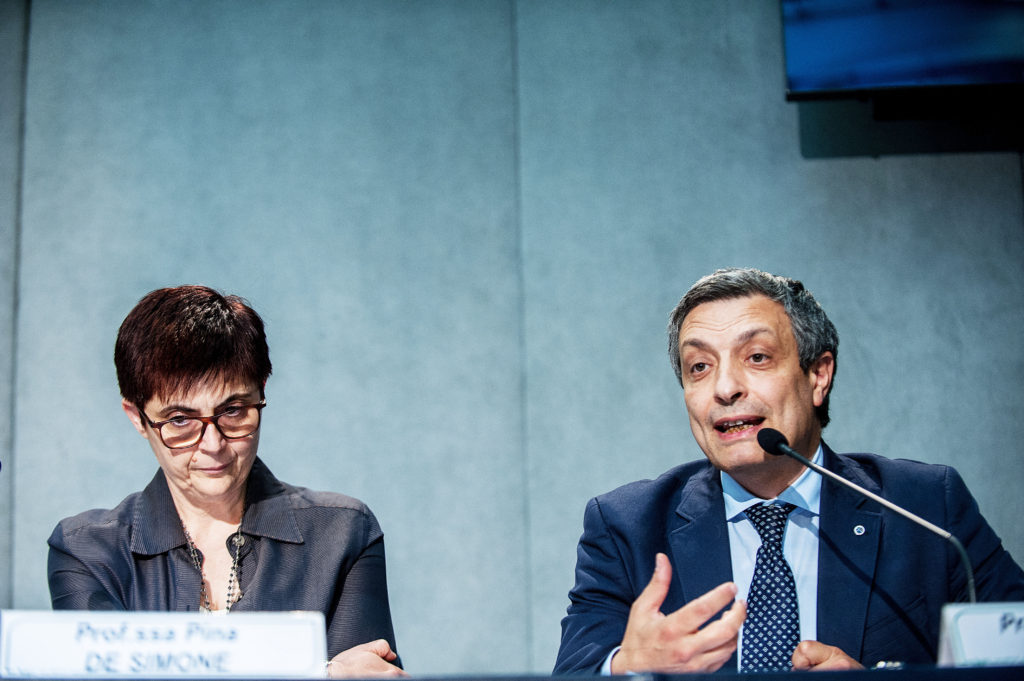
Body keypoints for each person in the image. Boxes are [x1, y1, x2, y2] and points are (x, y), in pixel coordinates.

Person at [553, 267, 1024, 674]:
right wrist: (629, 668)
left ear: (818, 375)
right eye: (699, 367)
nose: (725, 388)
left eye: (757, 357)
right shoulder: (627, 527)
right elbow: (575, 670)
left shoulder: (924, 508)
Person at [48, 286, 405, 678]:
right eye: (180, 420)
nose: (214, 445)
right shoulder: (87, 551)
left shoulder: (342, 533)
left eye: (233, 410)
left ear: (261, 394)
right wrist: (321, 673)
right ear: (137, 418)